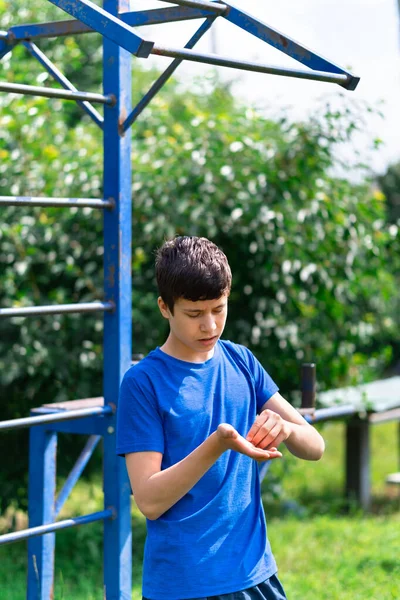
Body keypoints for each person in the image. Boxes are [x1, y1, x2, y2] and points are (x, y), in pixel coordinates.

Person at [116, 236, 325, 600]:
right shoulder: (142, 383)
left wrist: (287, 427)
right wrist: (217, 444)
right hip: (183, 585)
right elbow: (148, 501)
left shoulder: (241, 362)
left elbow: (315, 447)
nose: (210, 326)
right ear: (165, 308)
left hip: (255, 574)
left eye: (219, 309)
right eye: (195, 314)